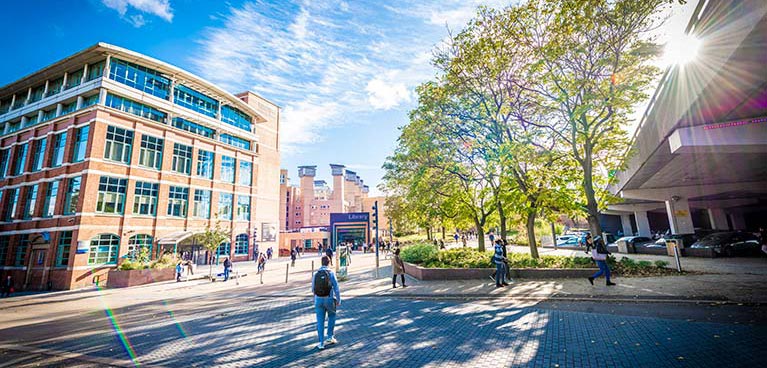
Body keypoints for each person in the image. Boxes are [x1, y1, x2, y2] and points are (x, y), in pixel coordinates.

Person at [312, 256, 340, 350]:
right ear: (329, 263)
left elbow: (313, 289)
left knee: (320, 321)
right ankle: (330, 337)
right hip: (329, 298)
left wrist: (315, 299)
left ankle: (320, 343)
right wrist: (338, 300)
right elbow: (336, 287)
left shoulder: (316, 274)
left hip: (318, 299)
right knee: (332, 316)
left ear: (321, 263)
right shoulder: (331, 273)